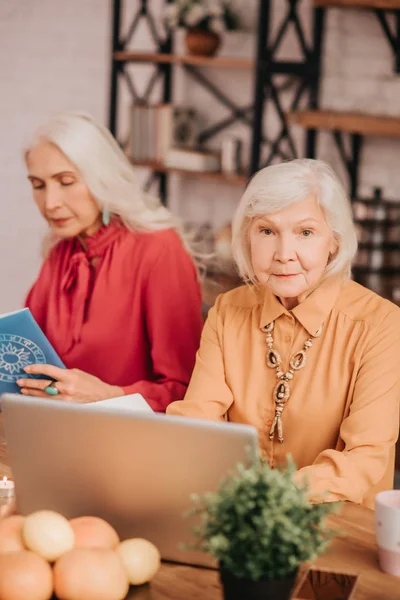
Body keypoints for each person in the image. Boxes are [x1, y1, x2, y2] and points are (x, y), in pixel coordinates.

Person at [167, 158, 400, 508]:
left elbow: (364, 457)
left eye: (306, 233)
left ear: (333, 242)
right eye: (267, 231)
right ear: (247, 237)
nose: (283, 254)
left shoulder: (381, 324)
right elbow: (197, 425)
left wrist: (266, 498)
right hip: (239, 517)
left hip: (339, 529)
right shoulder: (228, 312)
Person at [16, 112, 203, 412]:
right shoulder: (60, 253)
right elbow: (28, 362)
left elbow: (188, 392)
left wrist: (109, 395)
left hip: (132, 443)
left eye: (66, 182)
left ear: (101, 178)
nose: (50, 203)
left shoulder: (159, 250)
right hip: (55, 431)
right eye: (38, 185)